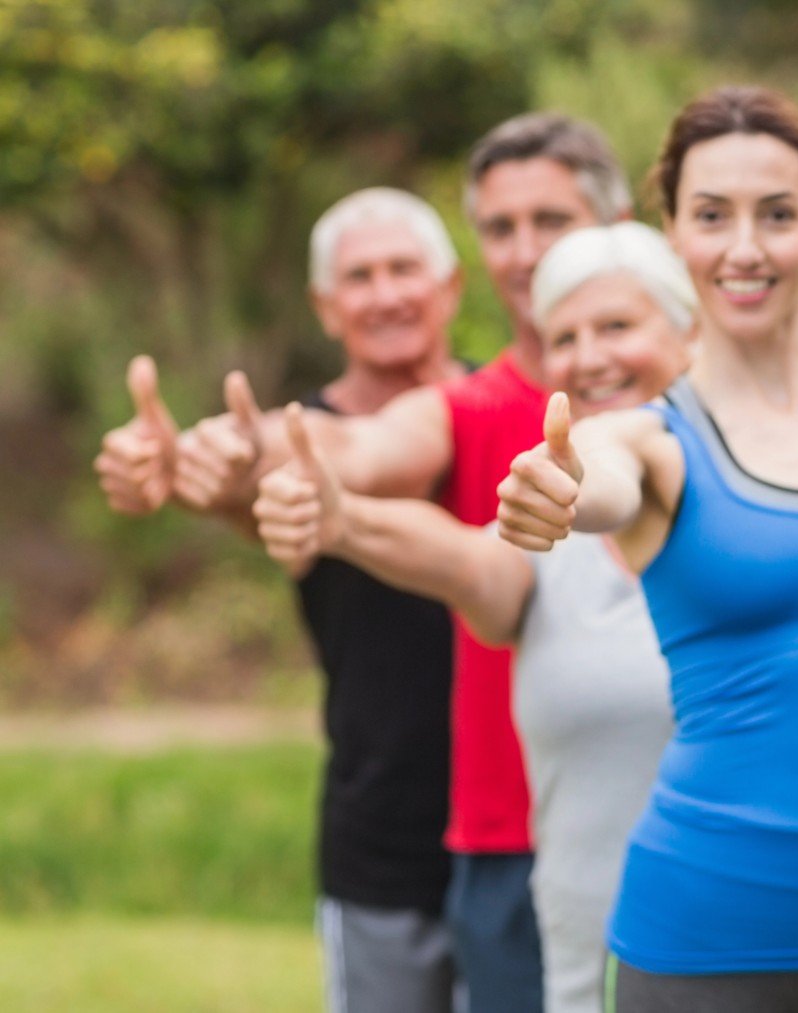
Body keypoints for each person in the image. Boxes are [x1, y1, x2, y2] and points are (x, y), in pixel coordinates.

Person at [97, 112, 635, 1013]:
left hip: (631, 828)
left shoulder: (679, 409)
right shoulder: (460, 410)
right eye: (502, 226)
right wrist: (212, 452)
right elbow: (327, 459)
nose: (526, 251)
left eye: (551, 221)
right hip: (440, 832)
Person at [496, 86, 798, 1012]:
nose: (745, 247)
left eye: (778, 214)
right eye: (713, 215)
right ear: (672, 231)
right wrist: (557, 488)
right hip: (707, 936)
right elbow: (600, 472)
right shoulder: (651, 437)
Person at [254, 222, 691, 1013]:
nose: (591, 356)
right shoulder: (541, 525)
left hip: (768, 920)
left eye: (618, 327)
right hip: (582, 947)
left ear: (689, 329)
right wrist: (342, 517)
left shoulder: (771, 493)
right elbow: (465, 560)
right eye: (565, 338)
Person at [93, 187, 467, 1013]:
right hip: (382, 837)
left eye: (404, 269)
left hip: (521, 828)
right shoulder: (303, 437)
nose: (385, 293)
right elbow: (256, 465)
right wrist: (195, 458)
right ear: (325, 309)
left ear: (451, 288)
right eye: (359, 277)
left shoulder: (508, 407)